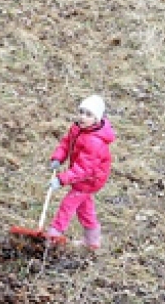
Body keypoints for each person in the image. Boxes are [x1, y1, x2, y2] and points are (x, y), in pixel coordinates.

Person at [45, 95, 115, 249]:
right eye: (81, 112)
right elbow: (66, 143)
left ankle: (53, 236)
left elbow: (84, 169)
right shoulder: (77, 128)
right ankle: (92, 241)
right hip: (82, 175)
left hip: (90, 179)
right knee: (85, 208)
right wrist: (58, 157)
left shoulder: (95, 142)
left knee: (68, 205)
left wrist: (61, 179)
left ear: (97, 119)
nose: (83, 117)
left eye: (89, 114)